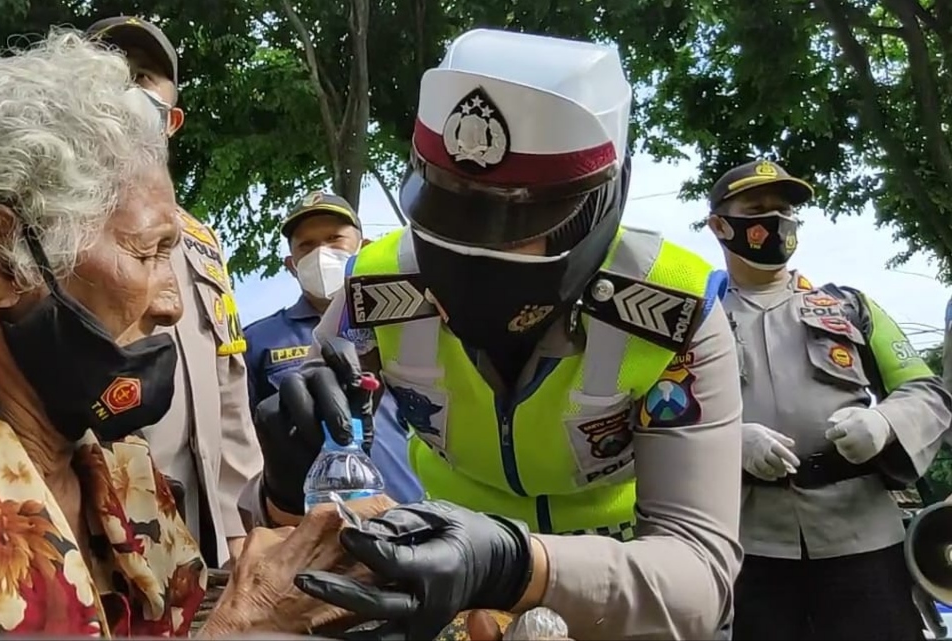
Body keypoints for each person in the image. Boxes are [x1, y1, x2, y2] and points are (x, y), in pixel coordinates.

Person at [0, 29, 346, 638]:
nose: (171, 306)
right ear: (0, 260)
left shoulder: (119, 465)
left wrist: (285, 502)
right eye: (148, 254)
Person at [254, 29, 744, 640]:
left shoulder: (673, 311)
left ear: (597, 208)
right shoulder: (378, 287)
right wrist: (283, 479)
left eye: (515, 227)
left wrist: (512, 564)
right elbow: (294, 520)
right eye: (447, 214)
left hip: (626, 595)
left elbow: (699, 575)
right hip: (445, 593)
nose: (468, 253)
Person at [706, 159, 951, 640]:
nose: (775, 222)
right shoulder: (695, 321)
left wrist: (885, 424)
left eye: (785, 212)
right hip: (751, 546)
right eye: (757, 209)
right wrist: (729, 441)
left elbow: (928, 392)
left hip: (865, 540)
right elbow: (659, 420)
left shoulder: (849, 306)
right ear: (719, 225)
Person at [87, 16, 263, 568]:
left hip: (207, 527)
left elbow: (229, 383)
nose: (126, 91)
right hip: (98, 527)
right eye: (109, 75)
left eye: (142, 78)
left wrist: (237, 528)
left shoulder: (201, 242)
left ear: (172, 120)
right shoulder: (58, 229)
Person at [244, 191, 423, 504]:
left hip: (411, 507)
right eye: (307, 245)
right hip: (315, 518)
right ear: (291, 264)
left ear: (364, 248)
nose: (321, 252)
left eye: (333, 239)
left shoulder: (402, 324)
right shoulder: (259, 341)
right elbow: (248, 444)